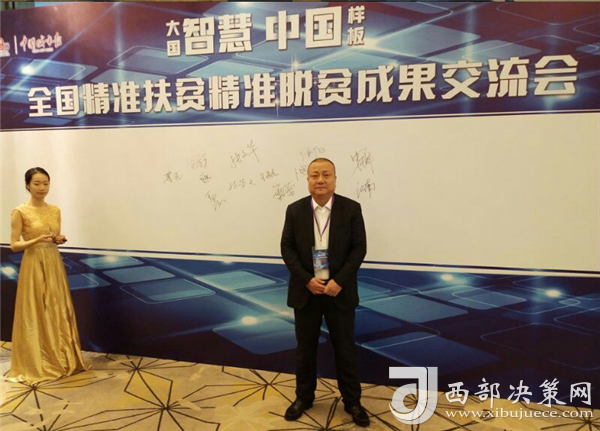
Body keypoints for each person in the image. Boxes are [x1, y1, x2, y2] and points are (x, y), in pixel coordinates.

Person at [281, 158, 369, 427]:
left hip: (338, 292)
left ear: (335, 179)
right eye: (315, 175)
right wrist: (307, 279)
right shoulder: (295, 210)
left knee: (346, 349)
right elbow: (287, 248)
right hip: (306, 291)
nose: (320, 180)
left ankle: (352, 401)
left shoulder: (351, 208)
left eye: (326, 175)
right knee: (305, 350)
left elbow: (359, 248)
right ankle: (304, 397)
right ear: (308, 180)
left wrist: (339, 281)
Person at [8, 167, 89, 382]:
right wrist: (36, 240)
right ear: (27, 185)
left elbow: (54, 237)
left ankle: (61, 357)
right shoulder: (20, 211)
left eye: (46, 183)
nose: (42, 187)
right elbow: (14, 245)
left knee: (56, 306)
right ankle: (38, 362)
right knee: (35, 309)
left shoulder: (55, 210)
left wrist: (58, 239)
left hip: (53, 261)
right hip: (33, 262)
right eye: (37, 183)